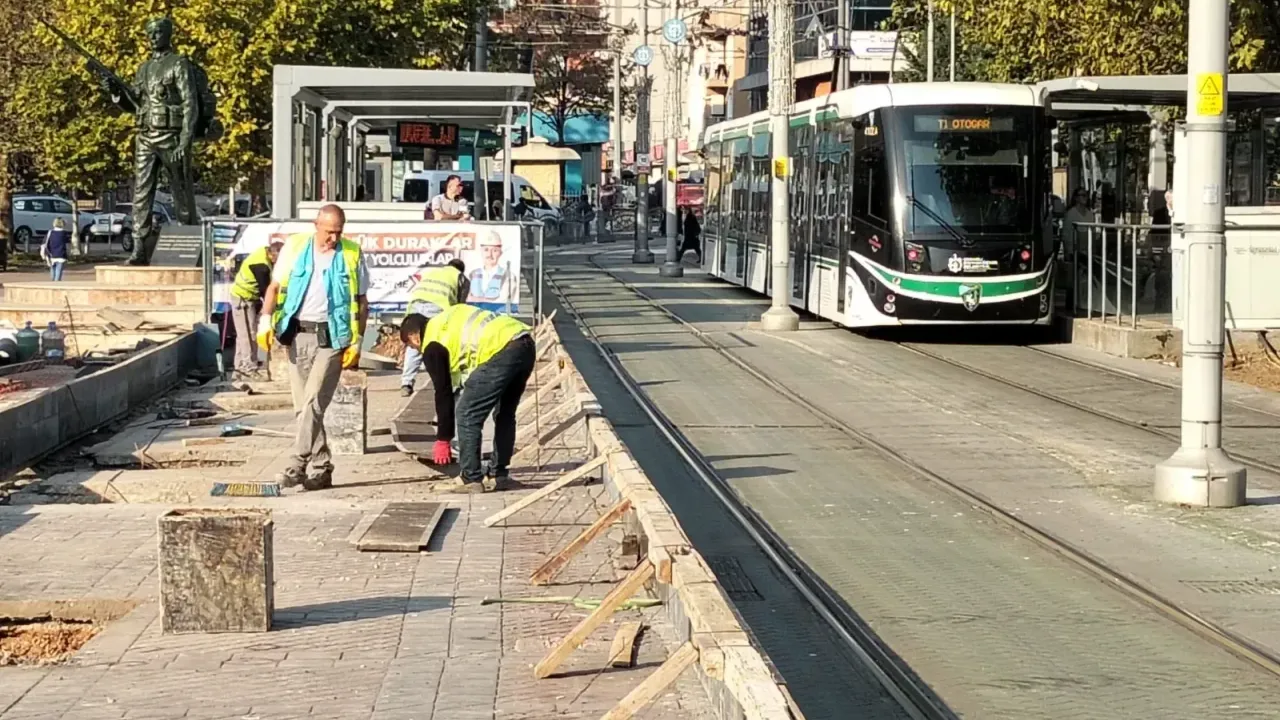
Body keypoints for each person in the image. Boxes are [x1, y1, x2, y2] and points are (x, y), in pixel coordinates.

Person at [257, 205, 369, 491]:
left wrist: (357, 339)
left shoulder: (352, 253)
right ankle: (322, 468)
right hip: (298, 333)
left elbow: (361, 301)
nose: (333, 237)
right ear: (316, 225)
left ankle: (296, 463)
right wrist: (266, 320)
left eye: (338, 232)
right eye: (329, 231)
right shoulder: (295, 247)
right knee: (302, 408)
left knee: (313, 401)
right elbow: (275, 286)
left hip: (332, 336)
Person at [399, 305, 534, 493]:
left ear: (414, 337)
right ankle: (498, 475)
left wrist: (443, 439)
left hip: (501, 351)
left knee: (467, 413)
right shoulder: (447, 319)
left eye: (412, 346)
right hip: (524, 343)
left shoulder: (431, 343)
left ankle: (470, 478)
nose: (416, 350)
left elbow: (443, 392)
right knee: (504, 414)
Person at [400, 259, 470, 397]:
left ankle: (406, 383)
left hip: (415, 306)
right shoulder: (460, 277)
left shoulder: (434, 271)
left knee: (414, 343)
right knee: (440, 344)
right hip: (438, 308)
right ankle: (448, 382)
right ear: (460, 269)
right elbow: (460, 306)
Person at [229, 239, 283, 379]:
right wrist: (272, 308)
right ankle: (248, 368)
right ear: (272, 255)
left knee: (243, 335)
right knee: (248, 334)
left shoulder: (264, 253)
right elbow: (266, 291)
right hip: (243, 298)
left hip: (247, 297)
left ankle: (239, 368)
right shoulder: (261, 264)